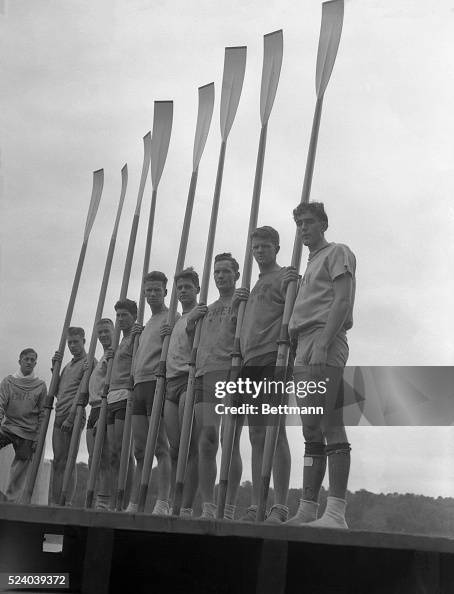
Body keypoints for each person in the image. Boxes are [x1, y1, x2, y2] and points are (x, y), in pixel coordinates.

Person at [286, 201, 356, 529]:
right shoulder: (308, 266)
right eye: (299, 223)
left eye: (309, 222)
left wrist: (324, 343)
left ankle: (336, 512)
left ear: (323, 224)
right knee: (310, 429)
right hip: (303, 344)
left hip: (324, 338)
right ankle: (307, 507)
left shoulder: (337, 252)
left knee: (330, 423)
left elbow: (343, 300)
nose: (303, 228)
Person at [235, 226, 298, 523]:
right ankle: (256, 505)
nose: (259, 251)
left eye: (265, 246)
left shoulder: (285, 277)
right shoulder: (254, 286)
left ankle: (280, 505)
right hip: (250, 362)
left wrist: (294, 287)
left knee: (276, 431)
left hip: (274, 357)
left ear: (276, 248)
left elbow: (296, 314)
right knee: (256, 433)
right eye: (255, 247)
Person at [193, 253, 243, 520]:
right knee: (207, 439)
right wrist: (191, 321)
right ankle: (209, 505)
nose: (221, 276)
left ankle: (229, 506)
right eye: (216, 272)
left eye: (226, 271)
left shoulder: (242, 301)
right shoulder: (207, 309)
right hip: (205, 373)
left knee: (229, 440)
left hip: (232, 371)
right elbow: (191, 339)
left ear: (236, 273)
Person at [129, 271, 172, 515]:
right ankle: (136, 502)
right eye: (148, 290)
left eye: (157, 290)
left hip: (157, 384)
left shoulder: (171, 317)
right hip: (139, 386)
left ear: (165, 292)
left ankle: (163, 502)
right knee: (139, 449)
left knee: (160, 446)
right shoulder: (144, 326)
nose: (152, 294)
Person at [162, 267, 200, 516]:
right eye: (180, 287)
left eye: (188, 287)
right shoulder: (174, 320)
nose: (183, 291)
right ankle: (173, 504)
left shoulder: (200, 313)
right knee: (174, 448)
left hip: (189, 379)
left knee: (191, 447)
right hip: (170, 383)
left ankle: (186, 507)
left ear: (197, 289)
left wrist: (193, 325)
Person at [0, 349, 47, 502]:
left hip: (28, 431)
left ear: (35, 363)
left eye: (32, 360)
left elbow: (42, 413)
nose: (29, 362)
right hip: (8, 427)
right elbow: (0, 404)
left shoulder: (40, 385)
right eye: (26, 359)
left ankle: (10, 499)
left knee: (22, 463)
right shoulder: (8, 382)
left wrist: (38, 436)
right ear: (19, 361)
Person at [51, 327, 87, 505]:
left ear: (84, 342)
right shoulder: (68, 365)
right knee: (58, 461)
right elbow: (59, 393)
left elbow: (83, 393)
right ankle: (55, 501)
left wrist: (72, 417)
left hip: (73, 415)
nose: (72, 346)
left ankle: (67, 502)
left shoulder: (88, 362)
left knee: (68, 461)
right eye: (70, 343)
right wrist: (54, 370)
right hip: (59, 415)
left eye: (76, 342)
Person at [107, 299, 137, 511]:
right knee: (114, 452)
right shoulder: (120, 340)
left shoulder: (136, 335)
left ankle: (124, 501)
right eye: (118, 315)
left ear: (133, 316)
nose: (120, 319)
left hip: (126, 395)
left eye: (124, 314)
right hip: (111, 396)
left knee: (124, 449)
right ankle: (114, 499)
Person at [85, 318, 114, 510]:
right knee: (91, 458)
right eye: (100, 332)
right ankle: (93, 497)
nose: (103, 335)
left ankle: (104, 501)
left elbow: (113, 385)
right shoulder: (102, 356)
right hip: (93, 409)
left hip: (106, 406)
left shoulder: (114, 353)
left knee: (104, 458)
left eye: (106, 331)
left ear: (114, 331)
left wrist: (104, 413)